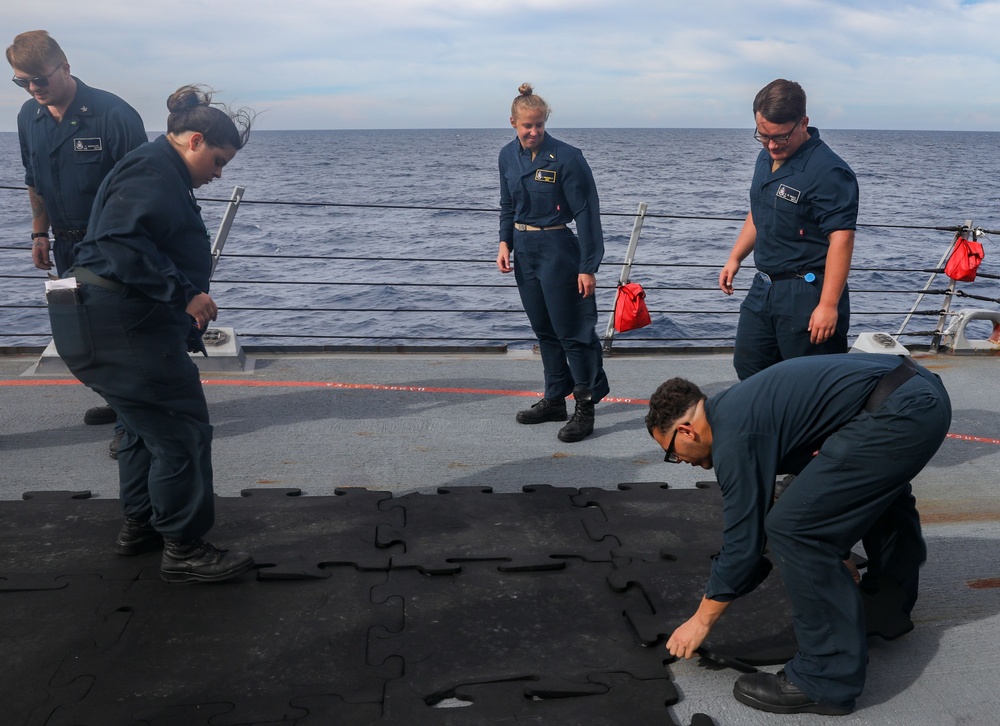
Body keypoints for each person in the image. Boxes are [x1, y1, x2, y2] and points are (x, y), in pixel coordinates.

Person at [645, 353, 951, 715]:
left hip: (904, 410)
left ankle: (825, 680)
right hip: (919, 391)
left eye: (671, 454)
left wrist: (701, 620)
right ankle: (887, 605)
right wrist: (837, 552)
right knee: (879, 496)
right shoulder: (737, 407)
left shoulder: (735, 437)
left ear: (685, 431)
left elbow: (744, 544)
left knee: (793, 529)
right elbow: (822, 480)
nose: (680, 462)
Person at [48, 85, 255, 583]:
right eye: (220, 161)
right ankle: (183, 549)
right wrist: (183, 292)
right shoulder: (151, 172)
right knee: (181, 432)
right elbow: (120, 241)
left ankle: (140, 526)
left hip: (104, 322)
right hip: (121, 327)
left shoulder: (154, 169)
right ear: (195, 141)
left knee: (145, 427)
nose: (219, 174)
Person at [8, 30, 147, 447]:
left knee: (118, 335)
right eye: (21, 81)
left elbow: (144, 187)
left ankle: (133, 425)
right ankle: (119, 399)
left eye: (40, 79)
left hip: (112, 245)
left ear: (65, 68)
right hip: (65, 246)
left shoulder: (112, 113)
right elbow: (34, 179)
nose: (33, 88)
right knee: (81, 336)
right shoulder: (27, 119)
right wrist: (39, 232)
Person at [719, 79, 859, 381]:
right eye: (763, 136)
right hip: (764, 287)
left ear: (803, 122)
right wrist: (735, 257)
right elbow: (760, 210)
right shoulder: (767, 156)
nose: (771, 145)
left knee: (809, 383)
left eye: (780, 137)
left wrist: (828, 305)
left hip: (806, 292)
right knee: (750, 368)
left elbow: (842, 238)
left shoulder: (828, 170)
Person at [496, 83, 610, 442]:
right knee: (544, 330)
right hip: (524, 249)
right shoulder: (506, 156)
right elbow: (507, 204)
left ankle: (585, 406)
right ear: (513, 122)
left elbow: (587, 214)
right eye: (527, 125)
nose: (533, 132)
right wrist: (504, 242)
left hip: (559, 248)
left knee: (572, 333)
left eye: (539, 125)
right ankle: (555, 398)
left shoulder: (567, 157)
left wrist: (588, 266)